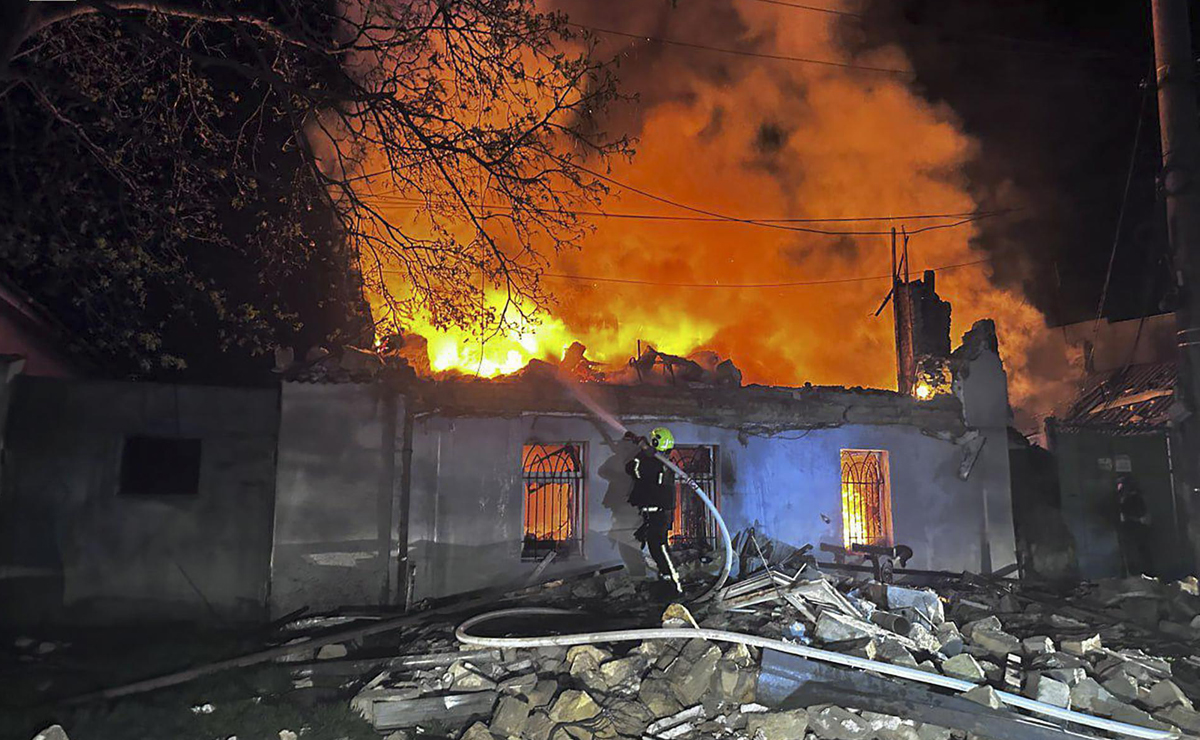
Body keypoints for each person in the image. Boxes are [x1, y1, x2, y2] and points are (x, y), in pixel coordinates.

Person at [624, 427, 682, 594]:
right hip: (656, 512)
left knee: (659, 547)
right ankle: (666, 579)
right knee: (656, 546)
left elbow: (632, 469)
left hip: (658, 513)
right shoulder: (662, 462)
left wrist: (642, 453)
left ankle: (673, 582)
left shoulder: (653, 463)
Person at [1116, 474, 1152, 577]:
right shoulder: (1134, 497)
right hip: (1135, 527)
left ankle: (1138, 573)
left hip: (1133, 527)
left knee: (1135, 553)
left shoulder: (1133, 498)